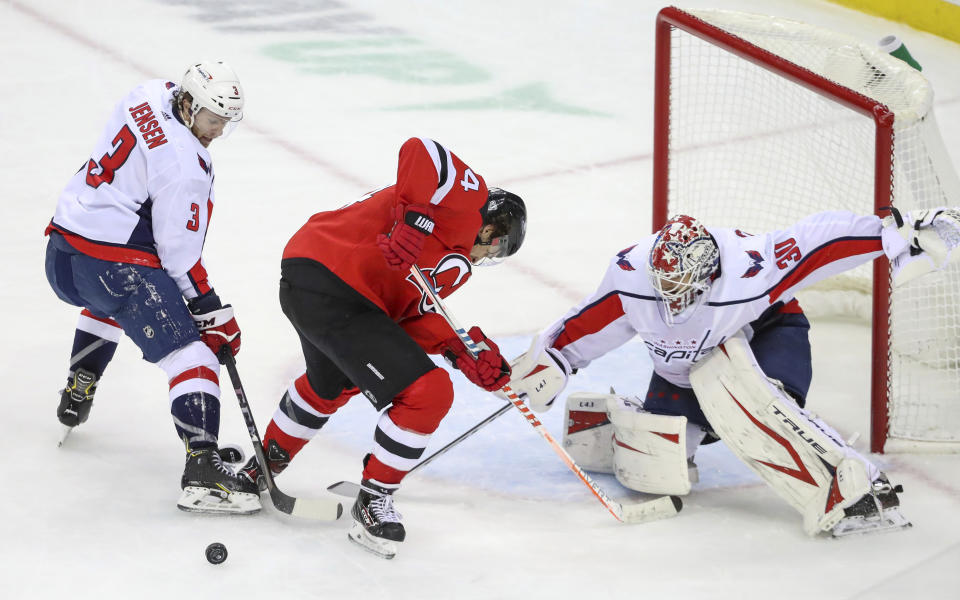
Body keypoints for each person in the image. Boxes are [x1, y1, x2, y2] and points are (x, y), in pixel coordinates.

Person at [509, 208, 960, 537]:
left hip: (764, 336)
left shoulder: (749, 265)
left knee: (753, 405)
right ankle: (620, 419)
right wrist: (553, 359)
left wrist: (893, 235)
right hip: (682, 369)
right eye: (663, 285)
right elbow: (593, 319)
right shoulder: (632, 273)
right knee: (658, 467)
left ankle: (853, 480)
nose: (669, 297)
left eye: (680, 286)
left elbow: (820, 241)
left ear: (709, 273)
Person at [239, 137, 526, 559]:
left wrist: (461, 349)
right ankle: (374, 500)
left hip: (321, 288)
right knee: (429, 393)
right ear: (492, 230)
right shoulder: (468, 200)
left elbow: (405, 320)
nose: (486, 257)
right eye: (496, 248)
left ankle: (260, 468)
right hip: (333, 277)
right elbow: (421, 151)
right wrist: (416, 217)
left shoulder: (454, 268)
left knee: (331, 384)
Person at [44, 61, 259, 515]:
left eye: (225, 122)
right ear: (189, 103)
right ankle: (203, 470)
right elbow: (179, 254)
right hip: (112, 265)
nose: (217, 131)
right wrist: (210, 309)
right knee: (193, 354)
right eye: (212, 119)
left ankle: (80, 383)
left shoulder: (147, 92)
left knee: (114, 301)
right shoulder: (187, 167)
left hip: (63, 252)